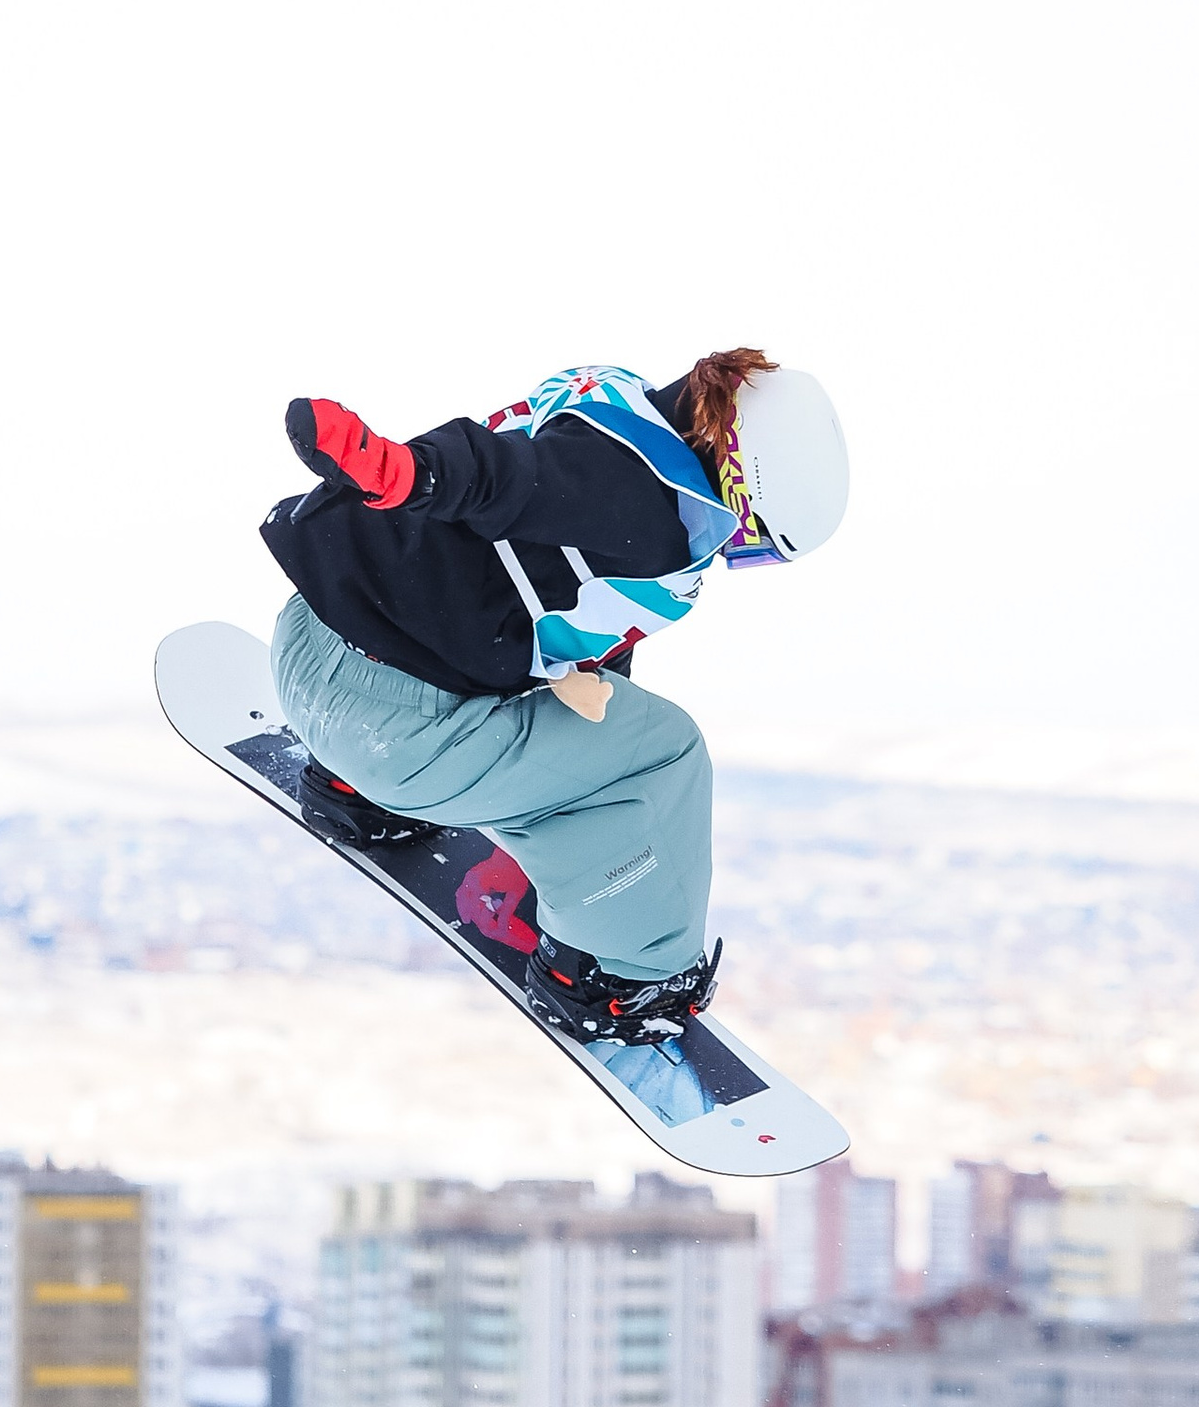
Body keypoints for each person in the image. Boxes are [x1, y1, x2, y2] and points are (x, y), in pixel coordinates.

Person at [260, 350, 849, 1055]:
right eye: (750, 542)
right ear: (739, 475)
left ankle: (355, 792)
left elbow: (540, 531)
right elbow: (513, 482)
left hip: (311, 644)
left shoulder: (608, 407)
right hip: (400, 739)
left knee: (600, 713)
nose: (730, 555)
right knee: (664, 755)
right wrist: (409, 471)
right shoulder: (643, 500)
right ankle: (620, 977)